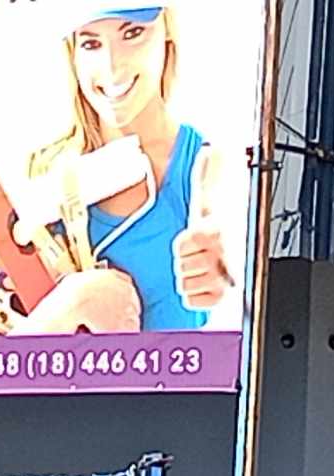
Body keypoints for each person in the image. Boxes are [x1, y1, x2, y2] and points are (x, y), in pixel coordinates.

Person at [18, 6, 236, 336]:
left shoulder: (205, 170)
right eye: (91, 44)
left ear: (167, 32)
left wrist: (227, 273)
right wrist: (73, 304)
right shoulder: (41, 178)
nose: (112, 67)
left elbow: (234, 256)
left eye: (133, 33)